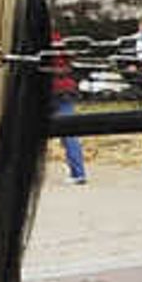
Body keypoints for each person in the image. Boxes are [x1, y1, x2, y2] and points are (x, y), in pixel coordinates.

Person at [45, 45, 87, 185]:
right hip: (66, 89)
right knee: (69, 133)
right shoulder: (61, 42)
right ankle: (78, 173)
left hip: (51, 90)